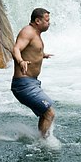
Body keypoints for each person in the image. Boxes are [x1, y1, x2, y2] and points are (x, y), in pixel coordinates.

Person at [11, 8, 55, 138]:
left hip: (32, 83)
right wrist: (20, 61)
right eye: (47, 20)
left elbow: (31, 50)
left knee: (45, 113)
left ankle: (42, 139)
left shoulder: (35, 34)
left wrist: (41, 55)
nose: (49, 23)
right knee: (49, 113)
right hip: (24, 85)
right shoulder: (28, 32)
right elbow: (16, 49)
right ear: (37, 20)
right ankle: (43, 142)